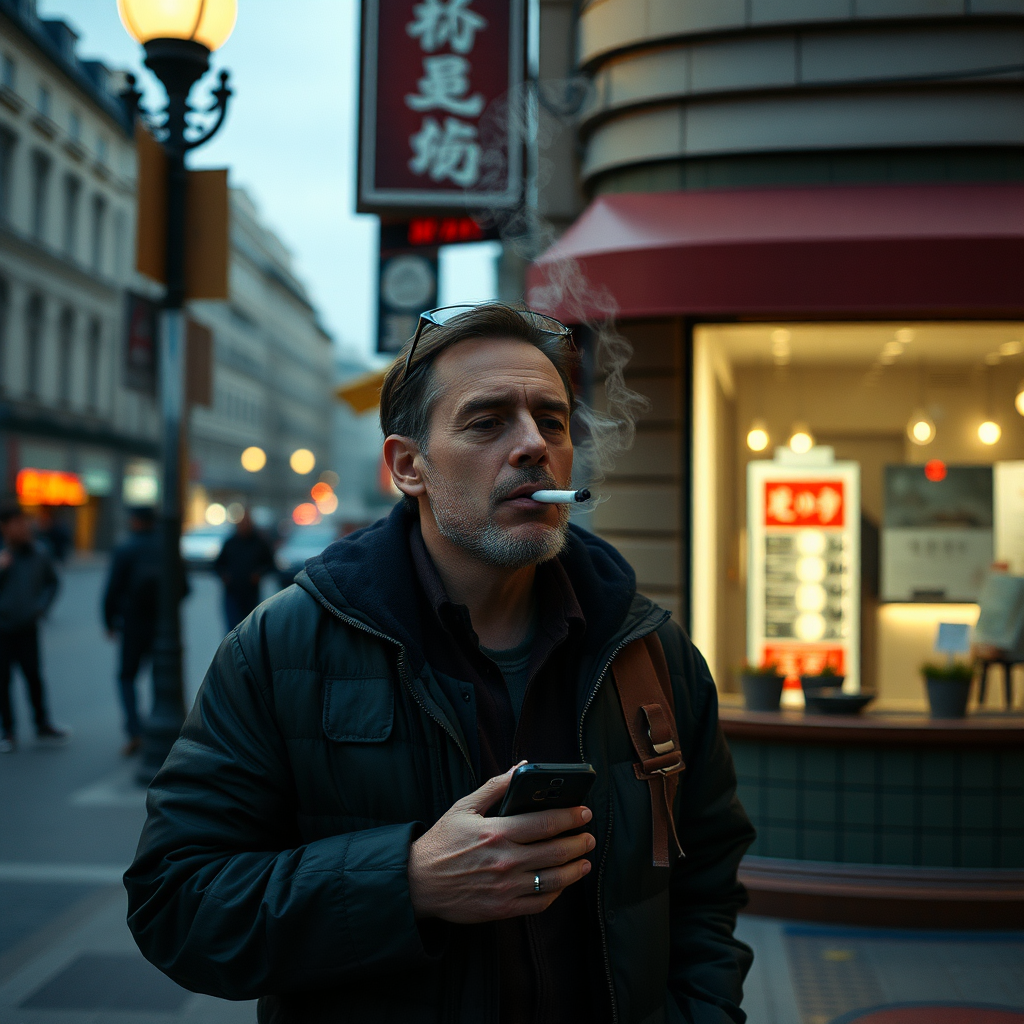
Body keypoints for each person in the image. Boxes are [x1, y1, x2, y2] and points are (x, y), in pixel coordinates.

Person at [125, 304, 755, 1024]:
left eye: (551, 421)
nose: (533, 446)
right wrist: (407, 883)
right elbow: (176, 904)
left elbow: (706, 882)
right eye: (488, 422)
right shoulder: (284, 648)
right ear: (407, 466)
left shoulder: (647, 647)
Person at [0, 503, 68, 752]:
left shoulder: (39, 553)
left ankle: (42, 724)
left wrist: (41, 608)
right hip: (2, 629)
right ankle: (8, 731)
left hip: (27, 627)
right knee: (3, 681)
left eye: (24, 522)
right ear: (5, 527)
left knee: (34, 677)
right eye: (16, 523)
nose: (22, 527)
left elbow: (53, 583)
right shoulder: (3, 555)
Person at [103, 507, 160, 756]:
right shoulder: (165, 548)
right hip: (161, 625)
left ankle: (134, 730)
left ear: (136, 521)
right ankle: (159, 726)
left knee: (127, 677)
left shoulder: (125, 549)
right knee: (161, 677)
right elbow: (184, 588)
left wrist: (109, 622)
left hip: (132, 624)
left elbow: (112, 589)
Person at [213, 509, 274, 632]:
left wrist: (259, 574)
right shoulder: (230, 543)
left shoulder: (259, 543)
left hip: (251, 593)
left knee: (249, 628)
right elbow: (217, 565)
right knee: (232, 628)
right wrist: (224, 576)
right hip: (232, 592)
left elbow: (270, 564)